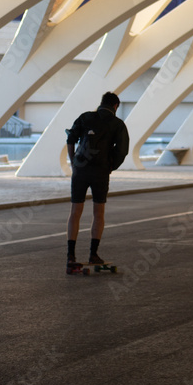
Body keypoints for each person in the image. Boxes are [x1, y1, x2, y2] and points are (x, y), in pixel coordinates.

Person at [65, 91, 129, 272]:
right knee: (98, 212)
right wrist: (110, 166)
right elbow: (122, 151)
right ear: (116, 106)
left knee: (75, 211)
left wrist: (73, 163)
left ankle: (71, 255)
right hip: (100, 172)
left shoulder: (85, 117)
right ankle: (93, 254)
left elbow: (70, 138)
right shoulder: (117, 124)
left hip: (80, 170)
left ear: (101, 103)